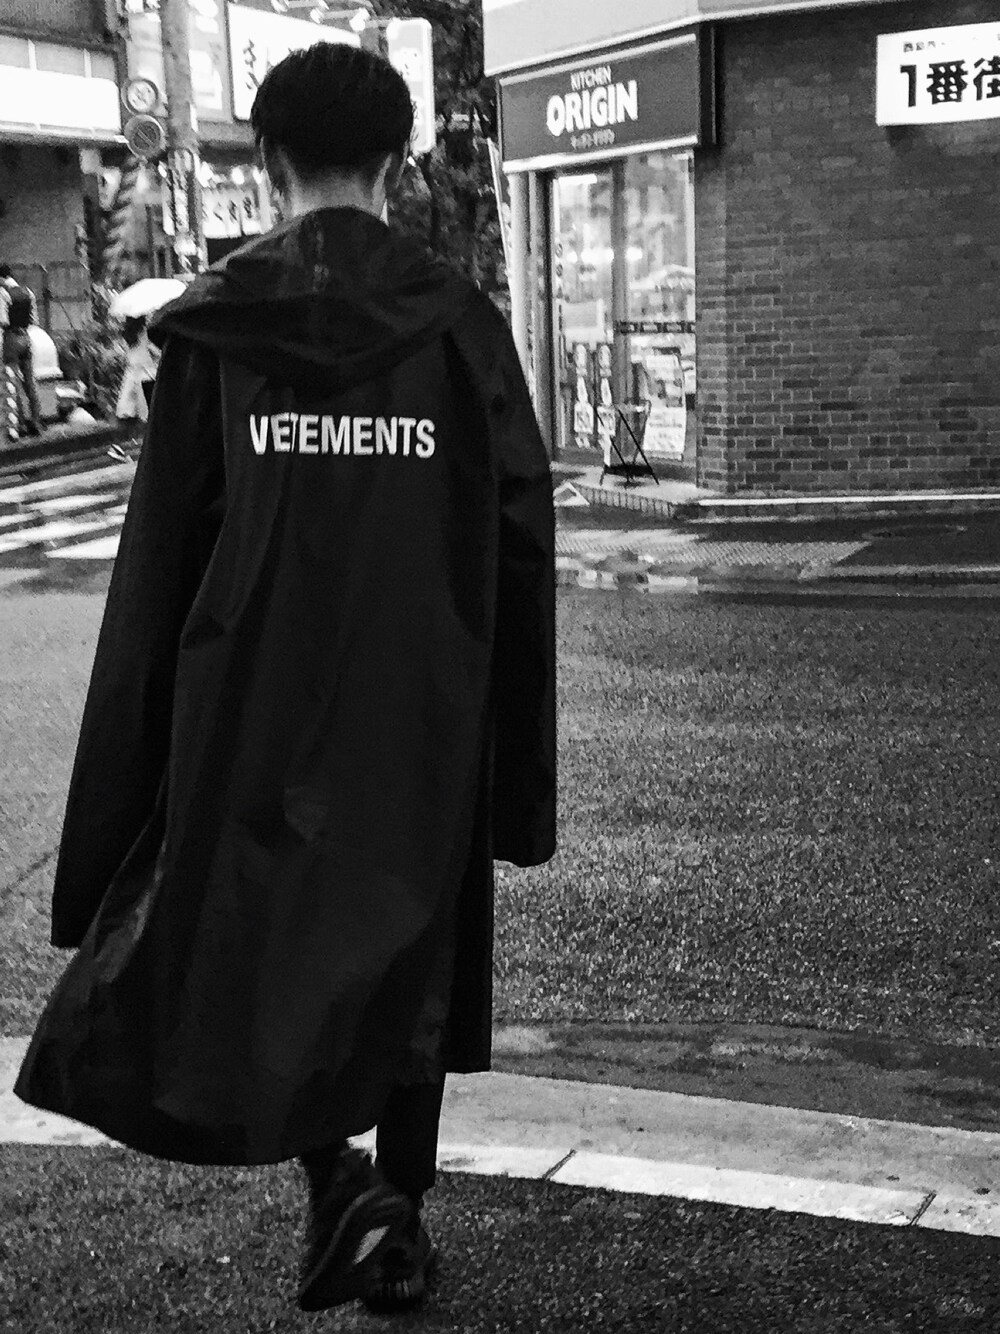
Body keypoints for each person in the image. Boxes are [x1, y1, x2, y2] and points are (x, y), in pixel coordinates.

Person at [14, 40, 556, 1319]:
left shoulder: (215, 333)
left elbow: (160, 563)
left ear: (266, 163)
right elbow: (518, 536)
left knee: (261, 943)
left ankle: (334, 1177)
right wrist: (514, 761)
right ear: (398, 162)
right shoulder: (459, 326)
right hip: (423, 705)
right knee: (413, 949)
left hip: (246, 707)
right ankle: (396, 1213)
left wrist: (129, 772)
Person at [108, 314, 159, 461]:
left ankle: (120, 445)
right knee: (147, 415)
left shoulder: (127, 333)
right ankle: (145, 448)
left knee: (127, 413)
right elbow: (154, 351)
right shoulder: (145, 332)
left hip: (131, 375)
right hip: (145, 374)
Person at [0, 262, 43, 437]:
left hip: (11, 338)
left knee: (12, 381)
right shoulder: (28, 292)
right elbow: (34, 320)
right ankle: (37, 421)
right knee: (30, 382)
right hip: (26, 337)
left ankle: (21, 423)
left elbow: (3, 321)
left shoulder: (3, 293)